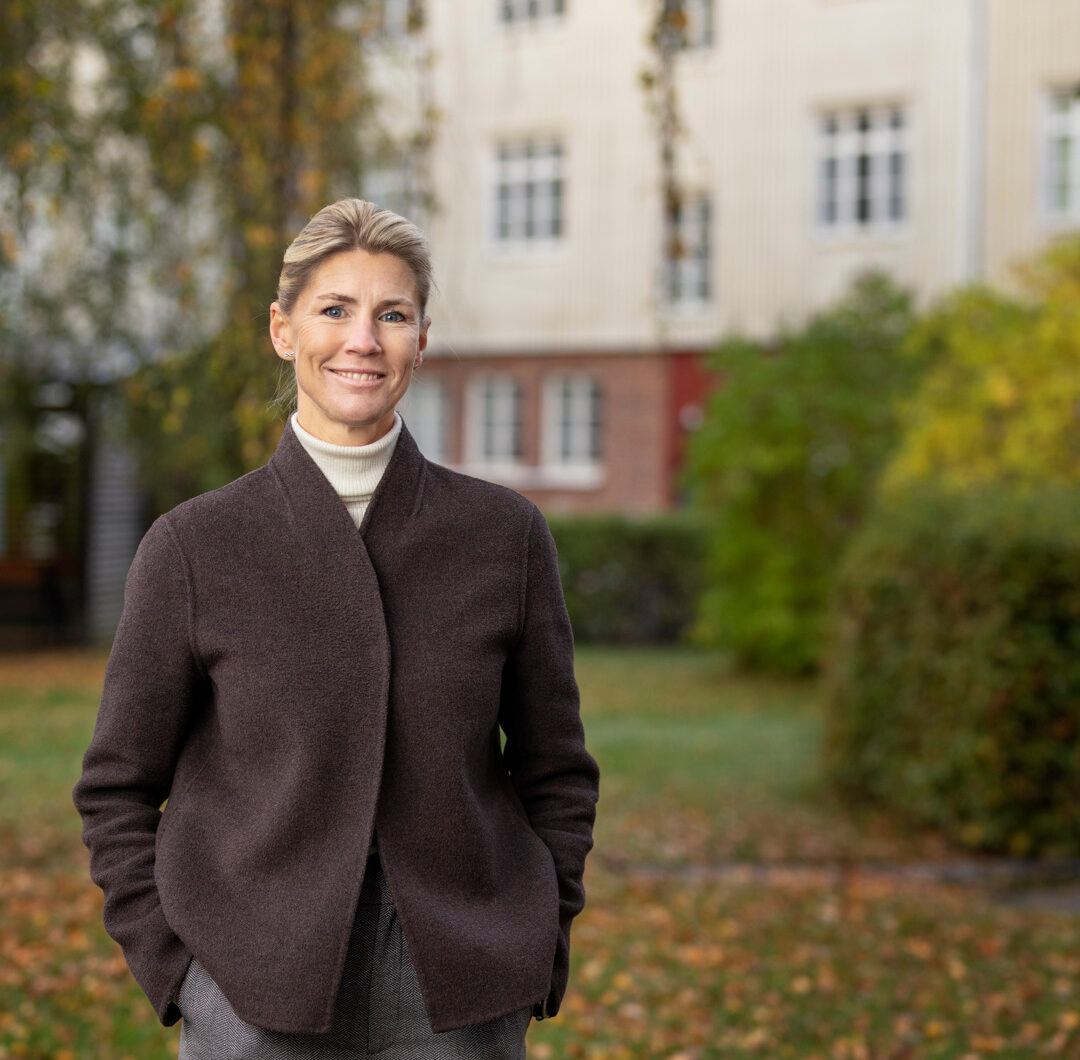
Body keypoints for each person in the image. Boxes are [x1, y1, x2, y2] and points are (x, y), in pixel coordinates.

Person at [73, 198, 599, 1060]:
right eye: (334, 309)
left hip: (459, 986)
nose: (363, 340)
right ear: (283, 332)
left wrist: (538, 942)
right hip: (252, 986)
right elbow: (116, 787)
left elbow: (557, 770)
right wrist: (179, 975)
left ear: (421, 340)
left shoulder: (503, 537)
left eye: (391, 315)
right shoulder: (195, 545)